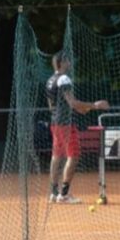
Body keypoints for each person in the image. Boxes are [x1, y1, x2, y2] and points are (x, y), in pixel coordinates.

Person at [46, 51, 110, 204]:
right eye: (68, 61)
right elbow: (72, 103)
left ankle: (54, 193)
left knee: (56, 156)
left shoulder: (50, 80)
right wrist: (95, 105)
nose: (70, 63)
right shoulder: (64, 79)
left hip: (55, 123)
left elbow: (55, 105)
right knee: (73, 156)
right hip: (65, 125)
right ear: (61, 63)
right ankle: (64, 194)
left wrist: (81, 108)